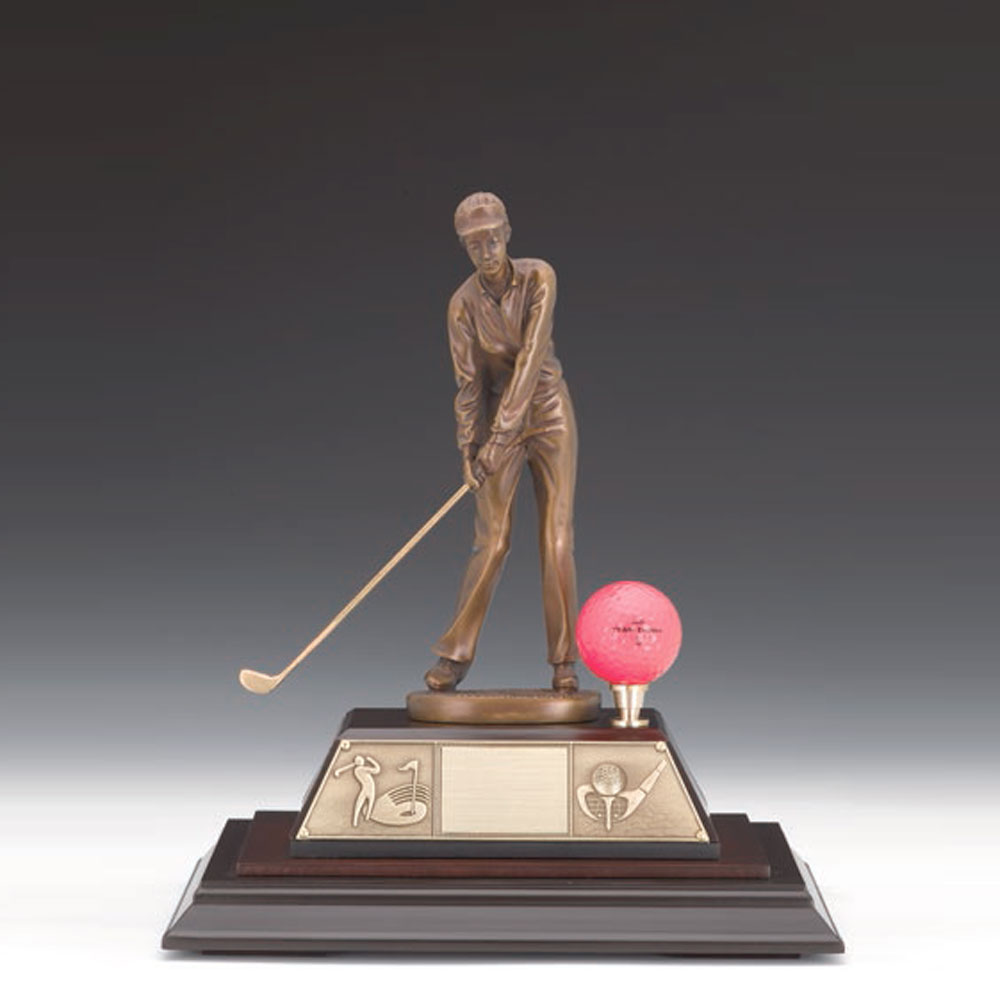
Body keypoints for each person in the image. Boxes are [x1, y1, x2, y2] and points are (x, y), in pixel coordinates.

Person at [426, 192, 579, 693]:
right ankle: (455, 654)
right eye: (474, 244)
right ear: (464, 248)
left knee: (556, 537)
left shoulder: (540, 277)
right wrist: (469, 450)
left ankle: (564, 662)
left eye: (492, 239)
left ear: (507, 233)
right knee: (491, 539)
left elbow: (531, 359)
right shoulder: (461, 305)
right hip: (496, 423)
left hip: (548, 411)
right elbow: (469, 385)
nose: (486, 251)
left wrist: (499, 438)